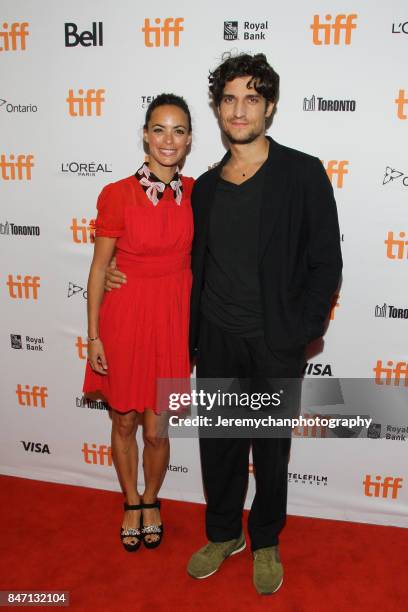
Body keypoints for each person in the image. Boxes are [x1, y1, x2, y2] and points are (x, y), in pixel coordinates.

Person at [106, 52, 342, 594]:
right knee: (221, 445)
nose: (240, 110)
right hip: (215, 339)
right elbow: (174, 252)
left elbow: (326, 261)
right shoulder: (204, 188)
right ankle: (221, 533)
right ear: (217, 108)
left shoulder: (302, 173)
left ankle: (264, 540)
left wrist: (298, 332)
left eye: (252, 99)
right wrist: (120, 271)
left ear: (270, 107)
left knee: (271, 448)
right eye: (230, 99)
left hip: (276, 342)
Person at [83, 93, 194, 552]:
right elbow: (97, 267)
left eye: (179, 130)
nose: (168, 140)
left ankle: (153, 498)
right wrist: (93, 335)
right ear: (145, 135)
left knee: (157, 428)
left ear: (188, 140)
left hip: (173, 320)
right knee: (125, 422)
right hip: (126, 319)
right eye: (159, 129)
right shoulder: (116, 194)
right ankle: (131, 500)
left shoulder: (199, 193)